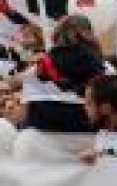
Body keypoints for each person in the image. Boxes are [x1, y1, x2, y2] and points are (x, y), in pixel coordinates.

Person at [15, 14, 104, 161]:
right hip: (89, 139)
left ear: (57, 34)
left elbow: (24, 106)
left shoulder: (40, 66)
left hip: (41, 139)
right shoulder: (105, 67)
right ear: (88, 33)